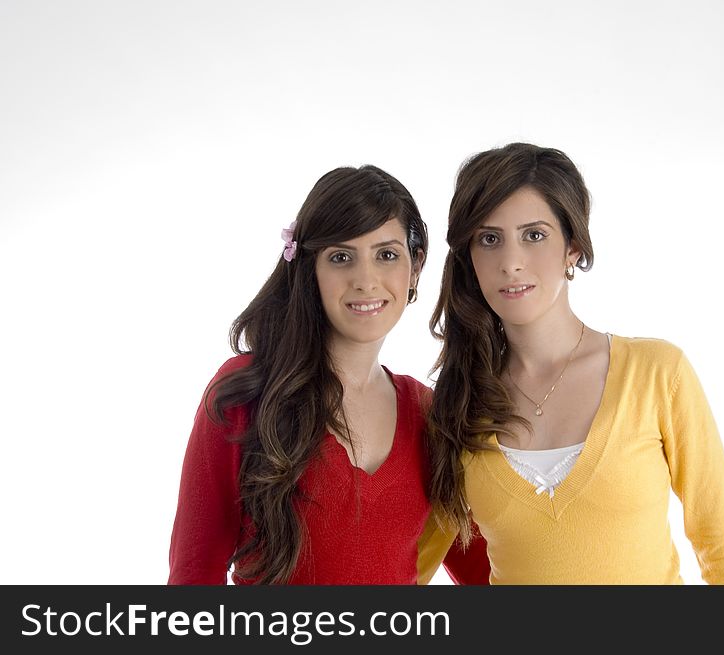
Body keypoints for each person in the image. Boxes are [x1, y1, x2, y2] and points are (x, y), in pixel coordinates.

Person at [424, 142, 724, 584]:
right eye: (490, 239)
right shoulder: (456, 405)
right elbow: (410, 561)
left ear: (573, 248)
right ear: (470, 258)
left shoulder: (657, 373)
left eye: (534, 235)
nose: (510, 262)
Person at [168, 164, 486, 584]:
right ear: (308, 268)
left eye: (386, 254)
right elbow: (195, 571)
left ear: (415, 267)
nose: (365, 280)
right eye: (341, 257)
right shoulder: (246, 391)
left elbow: (488, 568)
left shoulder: (430, 414)